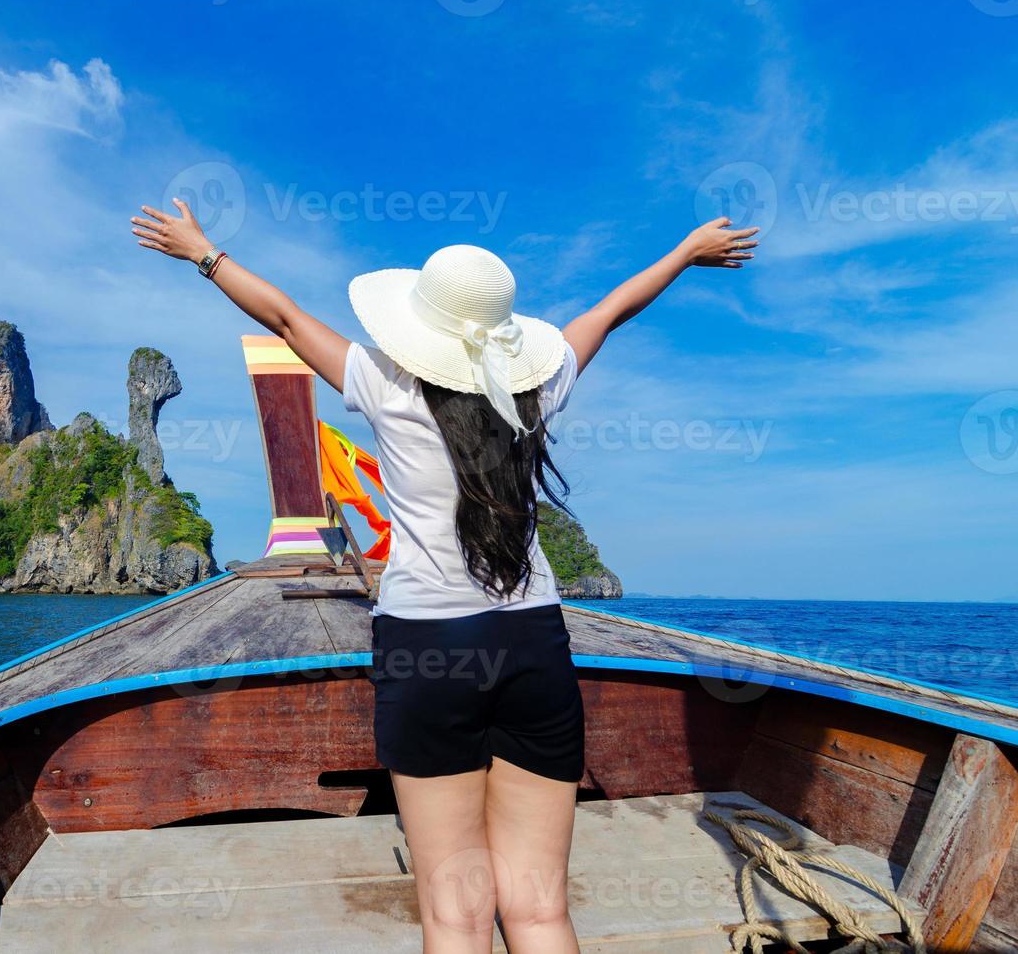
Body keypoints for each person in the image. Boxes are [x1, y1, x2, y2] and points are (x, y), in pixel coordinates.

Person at [132, 201, 757, 953]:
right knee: (539, 911)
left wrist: (203, 253)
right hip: (533, 642)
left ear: (420, 328)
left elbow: (288, 321)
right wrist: (687, 251)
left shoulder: (387, 386)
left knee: (455, 916)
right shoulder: (541, 386)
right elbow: (611, 310)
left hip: (427, 649)